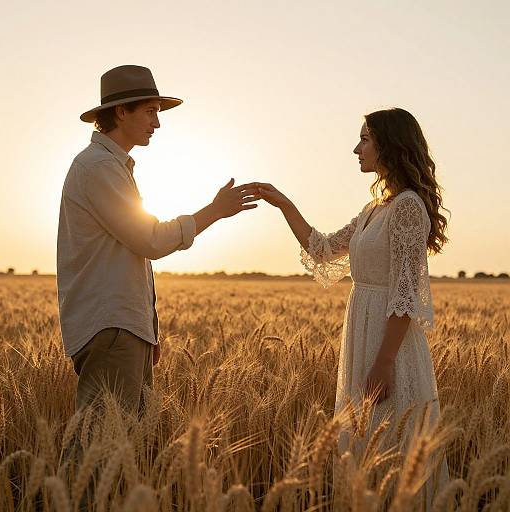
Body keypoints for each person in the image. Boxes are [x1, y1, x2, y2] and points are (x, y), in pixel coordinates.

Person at [257, 108, 449, 504]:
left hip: (388, 342)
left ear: (389, 145)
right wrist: (283, 204)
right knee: (364, 448)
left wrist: (384, 362)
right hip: (363, 332)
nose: (356, 149)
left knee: (393, 444)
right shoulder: (372, 210)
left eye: (364, 139)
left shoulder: (408, 207)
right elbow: (323, 249)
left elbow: (405, 292)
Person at [57, 64, 260, 415]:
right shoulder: (99, 168)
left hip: (124, 326)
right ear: (121, 112)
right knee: (99, 447)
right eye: (151, 111)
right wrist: (214, 211)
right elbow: (149, 240)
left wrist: (147, 329)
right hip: (113, 326)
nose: (158, 122)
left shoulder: (110, 165)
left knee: (119, 448)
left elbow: (130, 255)